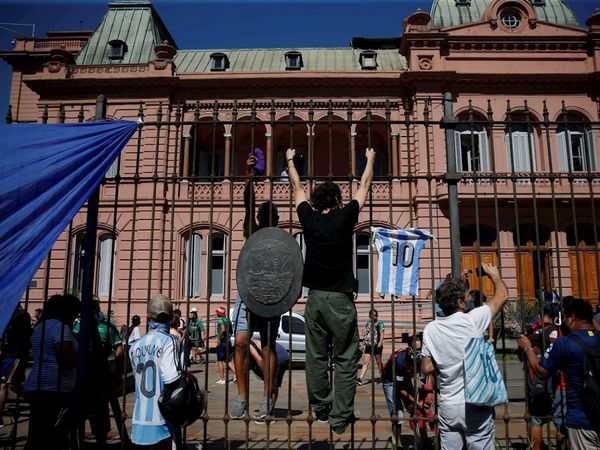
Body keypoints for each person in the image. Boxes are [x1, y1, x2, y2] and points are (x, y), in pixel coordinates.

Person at [287, 146, 376, 434]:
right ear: (338, 200)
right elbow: (363, 186)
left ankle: (322, 409)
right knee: (346, 358)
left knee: (315, 356)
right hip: (340, 299)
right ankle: (340, 419)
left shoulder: (309, 220)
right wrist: (370, 158)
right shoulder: (345, 216)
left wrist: (290, 161)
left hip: (314, 299)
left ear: (315, 201)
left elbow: (297, 187)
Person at [420, 263, 509, 450]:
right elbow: (502, 297)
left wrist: (446, 364)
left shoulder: (430, 329)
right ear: (460, 302)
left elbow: (426, 368)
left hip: (449, 404)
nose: (469, 298)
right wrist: (494, 276)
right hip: (474, 401)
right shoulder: (472, 320)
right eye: (466, 297)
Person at [230, 153, 281, 420]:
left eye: (267, 213)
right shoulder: (252, 229)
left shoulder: (281, 240)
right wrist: (250, 174)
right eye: (262, 213)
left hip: (271, 294)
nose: (262, 215)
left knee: (268, 346)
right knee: (240, 342)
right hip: (247, 291)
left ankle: (265, 398)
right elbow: (247, 203)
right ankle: (241, 397)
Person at [519, 298, 600, 450]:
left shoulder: (565, 342)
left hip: (582, 420)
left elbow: (541, 371)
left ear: (572, 317)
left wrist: (527, 349)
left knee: (537, 420)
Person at [24, 294, 80, 450]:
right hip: (54, 387)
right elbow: (65, 358)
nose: (76, 316)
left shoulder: (41, 326)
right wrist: (83, 359)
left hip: (39, 384)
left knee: (37, 433)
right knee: (54, 434)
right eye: (75, 312)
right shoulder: (59, 328)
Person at [129, 294, 182, 449]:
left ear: (148, 316)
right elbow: (172, 378)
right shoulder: (169, 341)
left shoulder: (135, 345)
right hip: (162, 418)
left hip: (139, 418)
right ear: (171, 317)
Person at [520, 304, 561, 450]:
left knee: (536, 420)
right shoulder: (557, 331)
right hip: (554, 380)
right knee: (560, 420)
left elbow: (521, 356)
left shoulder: (530, 331)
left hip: (533, 381)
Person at [382, 337, 433, 450]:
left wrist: (429, 392)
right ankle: (397, 444)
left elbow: (429, 372)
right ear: (410, 349)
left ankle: (422, 440)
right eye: (418, 349)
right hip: (391, 382)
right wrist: (416, 402)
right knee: (398, 415)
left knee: (416, 411)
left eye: (422, 349)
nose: (420, 352)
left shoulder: (423, 357)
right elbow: (400, 389)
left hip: (404, 378)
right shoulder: (400, 360)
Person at [0, 304, 31, 422]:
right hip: (10, 353)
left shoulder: (20, 316)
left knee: (4, 383)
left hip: (14, 354)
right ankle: (35, 402)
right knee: (13, 384)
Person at [248, 339, 289, 424]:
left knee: (270, 385)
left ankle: (268, 414)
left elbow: (260, 361)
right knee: (273, 385)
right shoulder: (252, 341)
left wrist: (266, 376)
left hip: (279, 358)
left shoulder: (249, 346)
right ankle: (269, 411)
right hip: (282, 356)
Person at [357, 308, 385, 385]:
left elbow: (382, 333)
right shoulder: (367, 324)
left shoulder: (380, 323)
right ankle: (360, 379)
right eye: (373, 315)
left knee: (378, 362)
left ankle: (383, 377)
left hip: (377, 345)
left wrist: (380, 342)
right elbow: (366, 334)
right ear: (370, 315)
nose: (374, 316)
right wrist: (363, 343)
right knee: (365, 362)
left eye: (376, 315)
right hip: (369, 345)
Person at [215, 306, 234, 385]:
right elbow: (231, 331)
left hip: (222, 342)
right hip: (228, 341)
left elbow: (223, 329)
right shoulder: (228, 320)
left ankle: (222, 379)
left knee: (220, 360)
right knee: (228, 360)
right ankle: (236, 375)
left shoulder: (220, 320)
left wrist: (219, 338)